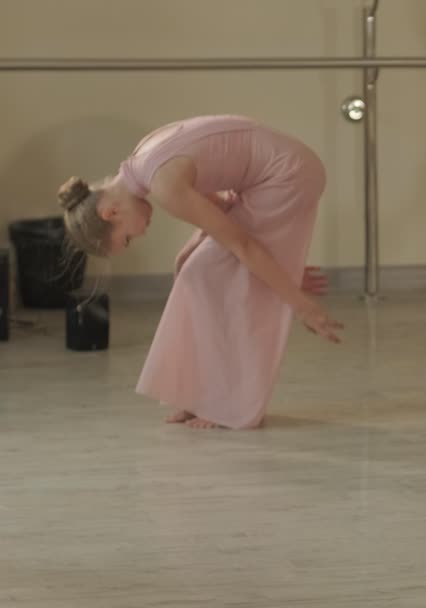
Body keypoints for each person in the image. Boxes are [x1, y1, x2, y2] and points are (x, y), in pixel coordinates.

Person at [58, 114, 341, 429]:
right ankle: (196, 394)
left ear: (110, 212)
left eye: (126, 237)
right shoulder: (144, 160)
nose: (140, 235)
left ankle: (224, 404)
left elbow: (242, 245)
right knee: (190, 265)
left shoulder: (163, 184)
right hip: (279, 173)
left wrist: (301, 304)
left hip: (288, 176)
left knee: (206, 272)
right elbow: (222, 215)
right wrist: (281, 262)